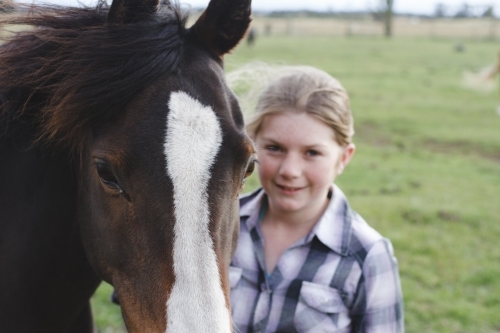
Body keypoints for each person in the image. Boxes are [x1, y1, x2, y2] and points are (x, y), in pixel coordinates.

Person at [229, 66, 404, 333]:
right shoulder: (219, 227)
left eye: (311, 153)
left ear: (343, 158)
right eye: (275, 148)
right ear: (253, 146)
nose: (289, 170)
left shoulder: (367, 255)